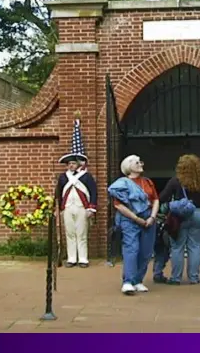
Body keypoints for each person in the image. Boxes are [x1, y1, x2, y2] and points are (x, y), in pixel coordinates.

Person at [158, 154, 200, 284]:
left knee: (177, 247)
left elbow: (162, 197)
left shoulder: (175, 181)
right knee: (195, 247)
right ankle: (194, 277)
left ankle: (176, 278)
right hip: (198, 214)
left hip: (179, 217)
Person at [107, 155, 159, 295]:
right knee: (132, 248)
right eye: (137, 162)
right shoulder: (121, 183)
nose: (140, 163)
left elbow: (155, 200)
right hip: (129, 219)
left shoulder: (147, 182)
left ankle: (138, 280)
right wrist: (136, 219)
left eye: (140, 161)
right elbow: (119, 205)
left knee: (146, 251)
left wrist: (152, 217)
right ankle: (128, 282)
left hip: (148, 217)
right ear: (129, 166)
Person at [55, 122, 97, 267]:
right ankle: (71, 258)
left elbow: (93, 192)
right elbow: (58, 193)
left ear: (79, 164)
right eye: (69, 164)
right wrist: (57, 208)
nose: (70, 166)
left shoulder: (86, 176)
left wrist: (92, 208)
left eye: (73, 163)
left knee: (82, 233)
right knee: (70, 233)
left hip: (82, 207)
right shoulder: (63, 177)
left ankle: (83, 258)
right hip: (67, 207)